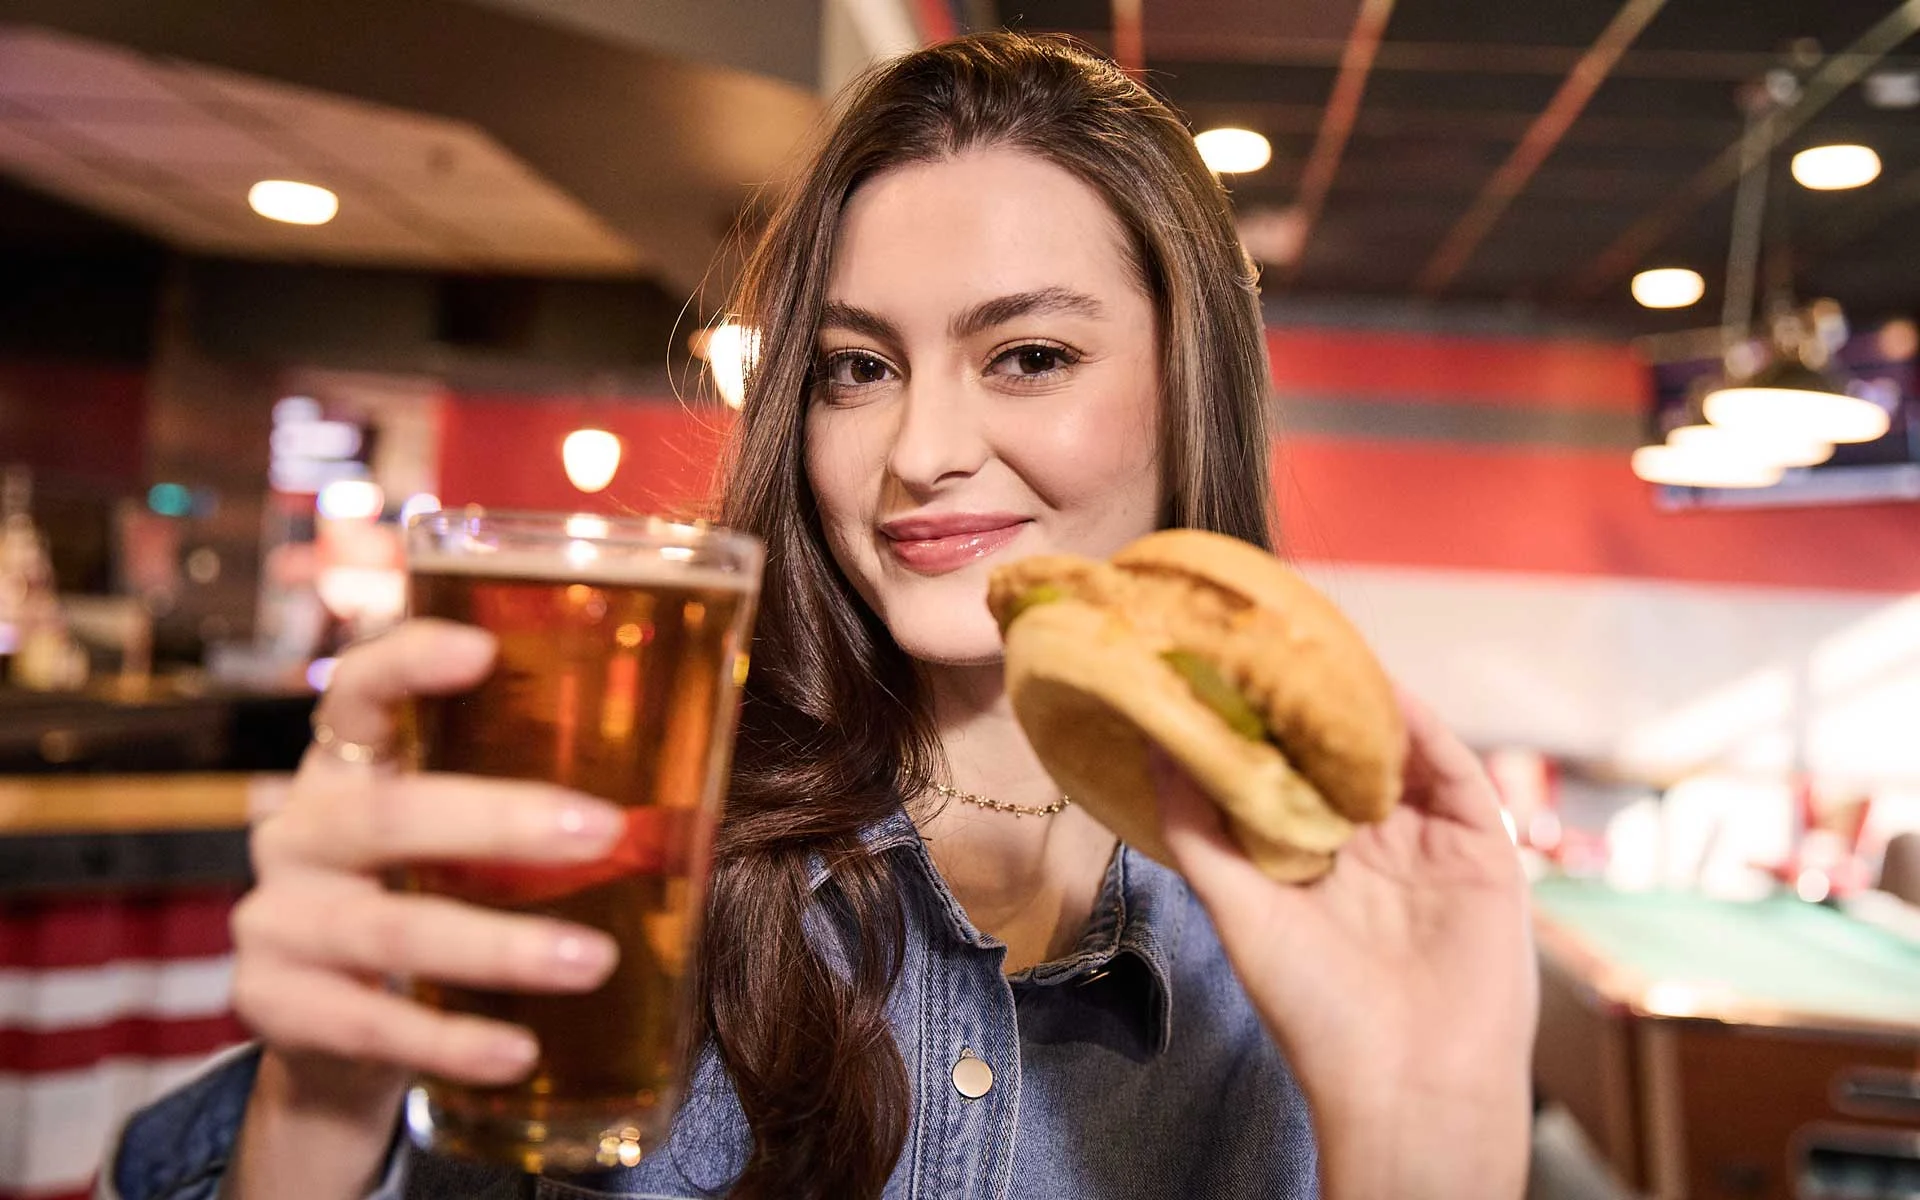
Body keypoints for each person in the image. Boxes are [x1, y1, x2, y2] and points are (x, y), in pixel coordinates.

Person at [106, 31, 1535, 1200]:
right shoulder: (636, 853)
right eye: (855, 370)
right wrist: (317, 1105)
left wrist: (1426, 1135)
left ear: (1189, 389)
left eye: (1027, 355)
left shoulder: (1341, 923)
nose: (919, 452)